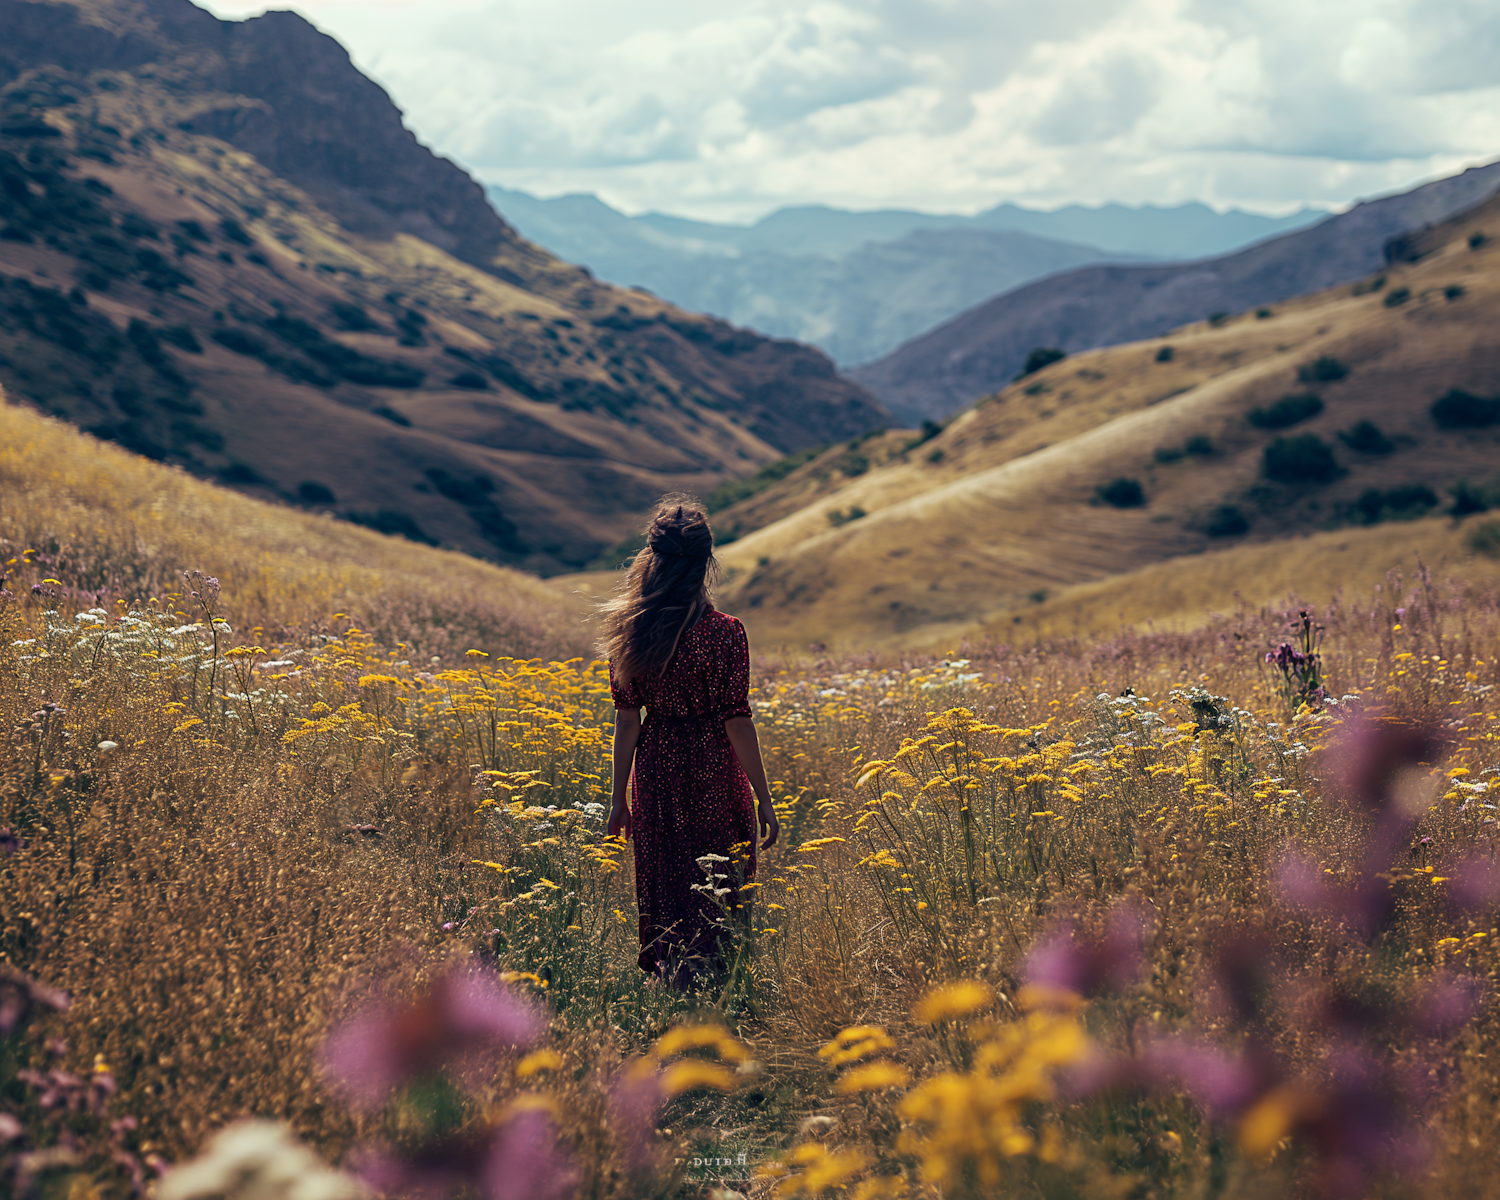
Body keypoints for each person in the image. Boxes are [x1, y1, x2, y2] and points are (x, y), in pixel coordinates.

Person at [600, 495, 779, 988]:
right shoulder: (725, 633)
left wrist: (618, 799)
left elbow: (626, 721)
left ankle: (673, 979)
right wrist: (764, 797)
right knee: (722, 874)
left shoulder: (628, 629)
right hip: (714, 767)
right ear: (707, 563)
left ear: (650, 559)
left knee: (668, 872)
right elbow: (736, 721)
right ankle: (723, 984)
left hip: (656, 766)